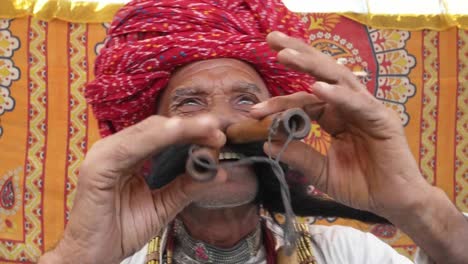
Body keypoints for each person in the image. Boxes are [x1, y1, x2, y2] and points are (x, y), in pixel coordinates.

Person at [38, 0, 468, 263]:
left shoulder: (349, 254)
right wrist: (76, 257)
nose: (223, 122)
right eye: (190, 103)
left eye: (246, 101)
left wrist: (419, 207)